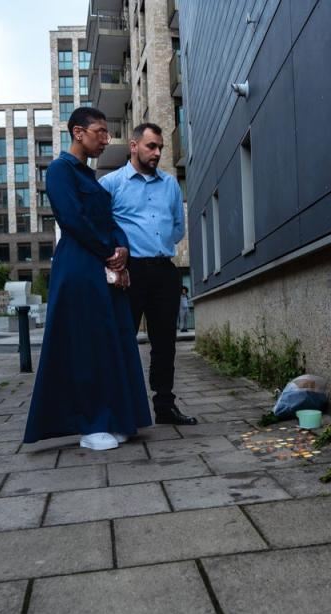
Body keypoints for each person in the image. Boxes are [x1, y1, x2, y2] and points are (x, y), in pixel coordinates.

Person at [23, 107, 151, 451]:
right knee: (85, 346)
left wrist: (121, 247)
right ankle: (90, 424)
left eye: (107, 133)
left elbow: (108, 219)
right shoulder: (60, 171)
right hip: (79, 269)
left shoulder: (88, 176)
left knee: (111, 342)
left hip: (99, 266)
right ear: (78, 132)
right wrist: (109, 251)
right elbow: (73, 219)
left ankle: (115, 417)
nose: (105, 139)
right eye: (100, 132)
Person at [100, 123, 197, 425]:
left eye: (160, 148)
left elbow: (178, 227)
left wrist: (160, 243)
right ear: (133, 146)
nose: (157, 153)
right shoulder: (111, 184)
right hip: (129, 273)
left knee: (165, 342)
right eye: (151, 146)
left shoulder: (169, 184)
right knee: (122, 338)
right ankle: (121, 408)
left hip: (163, 271)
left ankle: (165, 406)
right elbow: (101, 227)